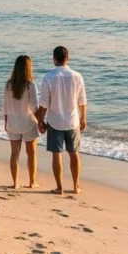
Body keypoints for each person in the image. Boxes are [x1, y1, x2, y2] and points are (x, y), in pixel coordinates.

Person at [36, 46, 87, 195]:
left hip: (55, 121)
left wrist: (40, 121)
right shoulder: (77, 76)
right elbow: (82, 100)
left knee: (56, 154)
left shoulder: (49, 77)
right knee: (74, 153)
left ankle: (59, 187)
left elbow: (44, 102)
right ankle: (76, 186)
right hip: (73, 121)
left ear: (54, 59)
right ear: (68, 58)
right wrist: (84, 118)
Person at [2, 55, 41, 189]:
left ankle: (15, 183)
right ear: (28, 68)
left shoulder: (8, 84)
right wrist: (41, 122)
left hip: (13, 123)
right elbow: (35, 107)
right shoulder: (30, 85)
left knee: (14, 154)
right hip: (28, 123)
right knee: (31, 154)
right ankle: (32, 182)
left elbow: (5, 106)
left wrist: (6, 122)